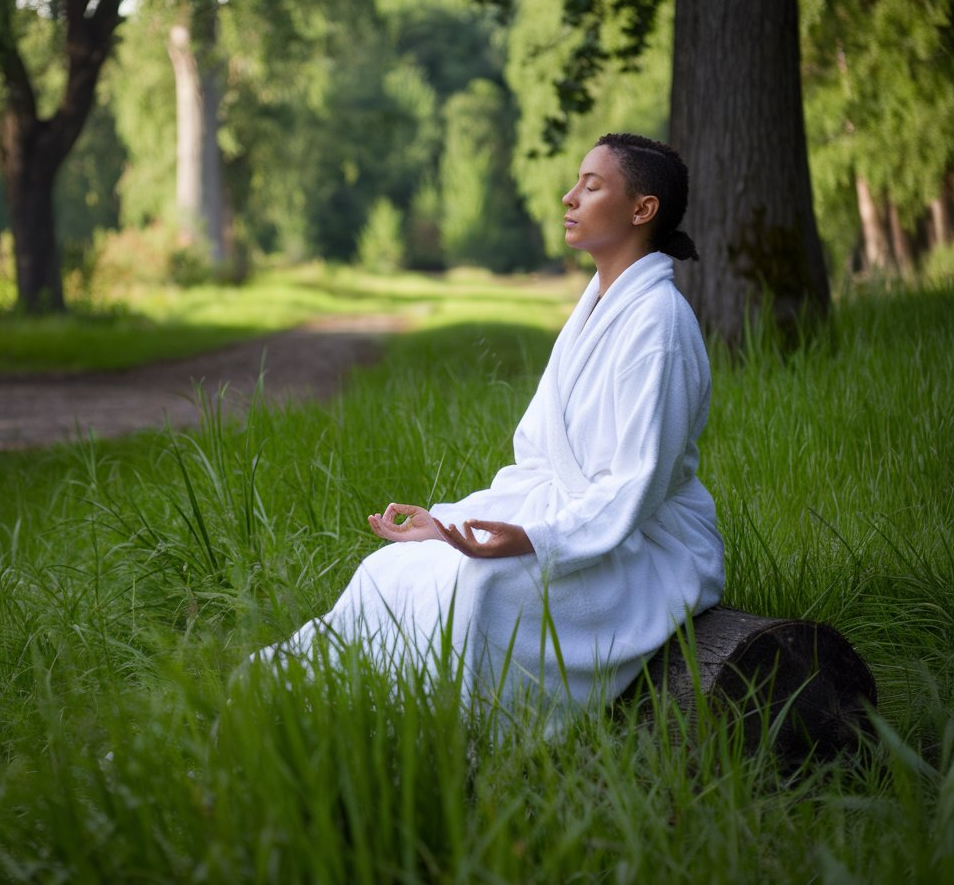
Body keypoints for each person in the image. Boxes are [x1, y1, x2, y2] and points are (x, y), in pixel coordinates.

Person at [255, 132, 725, 713]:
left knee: (476, 589)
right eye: (575, 181)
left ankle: (438, 741)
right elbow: (539, 458)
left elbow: (636, 485)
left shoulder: (658, 324)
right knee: (393, 568)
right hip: (571, 524)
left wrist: (534, 539)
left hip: (642, 546)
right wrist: (454, 525)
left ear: (642, 208)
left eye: (591, 184)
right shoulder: (597, 307)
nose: (568, 197)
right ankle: (304, 710)